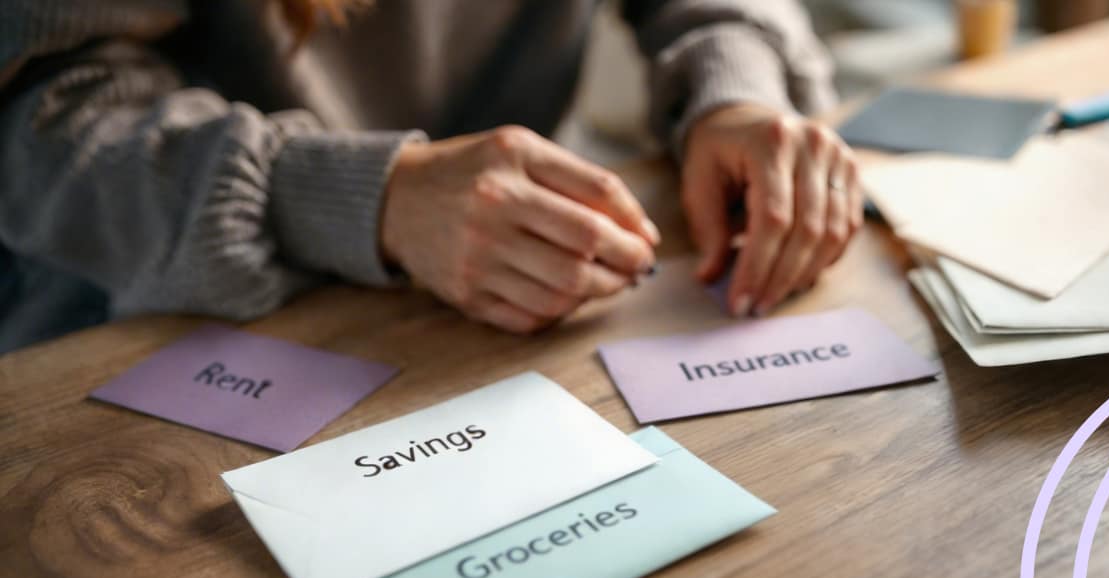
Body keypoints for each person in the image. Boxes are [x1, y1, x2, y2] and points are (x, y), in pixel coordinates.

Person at [0, 0, 862, 352]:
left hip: (491, 316)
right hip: (129, 326)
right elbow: (38, 129)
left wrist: (735, 86)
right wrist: (370, 197)